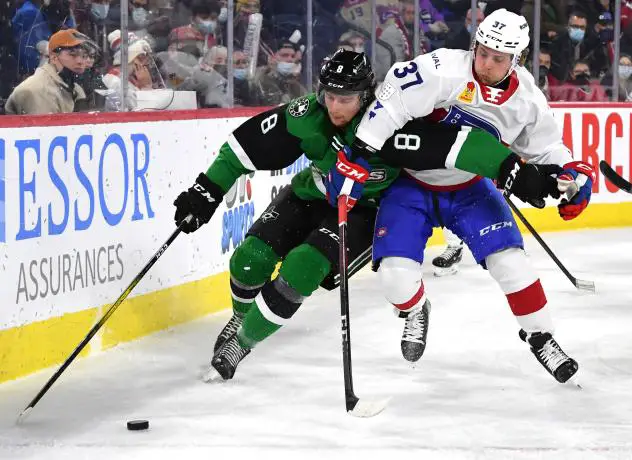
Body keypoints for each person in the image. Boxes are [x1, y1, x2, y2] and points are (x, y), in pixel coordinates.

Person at [173, 49, 564, 382]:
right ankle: (240, 318)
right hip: (311, 195)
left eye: (347, 98)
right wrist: (206, 190)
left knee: (302, 267)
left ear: (367, 94)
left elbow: (462, 145)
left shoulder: (392, 124)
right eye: (330, 95)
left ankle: (242, 345)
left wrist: (511, 169)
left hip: (363, 212)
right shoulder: (305, 113)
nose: (336, 106)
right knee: (248, 260)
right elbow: (244, 147)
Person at [338, 9, 595, 384]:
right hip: (413, 185)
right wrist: (361, 151)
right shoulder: (443, 69)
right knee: (395, 278)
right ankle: (415, 309)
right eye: (483, 51)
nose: (486, 63)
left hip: (471, 190)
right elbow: (392, 98)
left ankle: (541, 336)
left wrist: (572, 173)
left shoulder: (526, 99)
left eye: (499, 58)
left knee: (512, 263)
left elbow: (547, 149)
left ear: (517, 60)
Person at [5, 28, 90, 115]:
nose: (80, 61)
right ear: (53, 58)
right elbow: (46, 128)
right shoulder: (38, 89)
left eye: (84, 55)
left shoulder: (75, 88)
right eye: (73, 54)